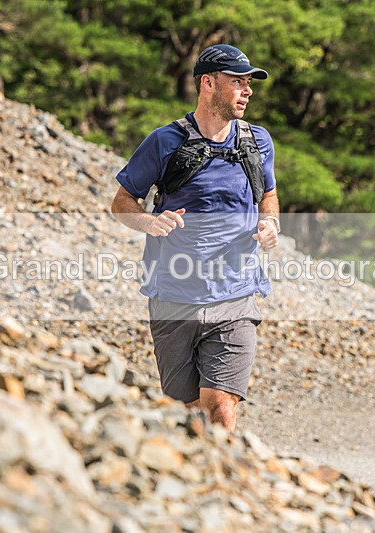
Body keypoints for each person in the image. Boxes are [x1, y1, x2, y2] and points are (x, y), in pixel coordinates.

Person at [111, 44, 279, 433]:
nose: (247, 90)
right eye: (237, 81)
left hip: (235, 297)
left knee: (220, 411)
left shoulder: (258, 141)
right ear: (208, 83)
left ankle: (226, 491)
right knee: (187, 421)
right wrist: (150, 223)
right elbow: (122, 202)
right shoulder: (164, 141)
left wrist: (271, 224)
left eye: (249, 83)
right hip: (173, 298)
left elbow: (268, 194)